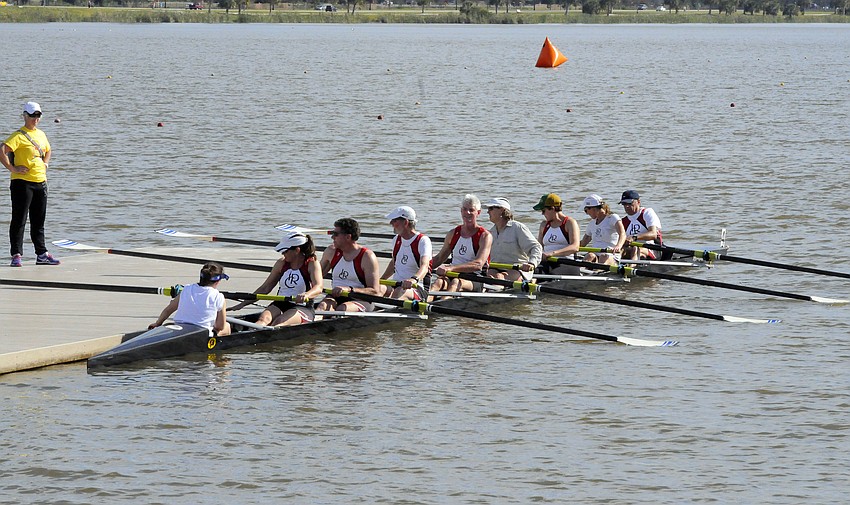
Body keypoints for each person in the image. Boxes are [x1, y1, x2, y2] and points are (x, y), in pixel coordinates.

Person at [1, 101, 59, 267]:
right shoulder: (18, 136)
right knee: (19, 220)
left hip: (40, 182)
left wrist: (45, 164)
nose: (35, 118)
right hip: (22, 183)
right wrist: (12, 168)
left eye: (38, 115)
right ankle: (16, 255)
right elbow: (2, 150)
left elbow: (48, 150)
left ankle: (41, 254)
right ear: (24, 116)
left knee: (38, 220)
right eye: (32, 115)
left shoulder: (41, 134)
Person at [229, 232, 324, 326]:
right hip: (280, 302)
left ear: (297, 250)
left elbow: (318, 287)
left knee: (279, 322)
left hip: (303, 307)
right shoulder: (281, 263)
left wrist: (306, 294)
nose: (283, 254)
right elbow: (265, 288)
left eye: (285, 251)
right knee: (263, 319)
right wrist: (243, 304)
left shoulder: (312, 263)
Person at [430, 194, 493, 294]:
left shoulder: (485, 236)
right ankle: (423, 305)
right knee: (437, 283)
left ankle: (444, 305)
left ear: (478, 212)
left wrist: (450, 268)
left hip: (476, 278)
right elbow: (439, 258)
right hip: (452, 274)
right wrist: (421, 267)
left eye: (471, 210)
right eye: (465, 209)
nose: (467, 213)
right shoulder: (453, 233)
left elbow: (478, 264)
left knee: (455, 282)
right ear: (461, 211)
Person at [317, 218, 382, 313]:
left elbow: (375, 291)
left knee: (342, 308)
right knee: (322, 307)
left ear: (348, 237)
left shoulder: (367, 256)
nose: (332, 237)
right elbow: (315, 277)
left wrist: (349, 289)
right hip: (335, 297)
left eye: (335, 234)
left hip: (361, 299)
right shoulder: (331, 251)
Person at [149, 262, 231, 336]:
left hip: (179, 328)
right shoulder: (218, 296)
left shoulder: (187, 289)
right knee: (227, 326)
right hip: (201, 334)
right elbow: (220, 326)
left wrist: (158, 323)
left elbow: (168, 309)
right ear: (218, 281)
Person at [483, 197, 542, 281]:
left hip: (517, 269)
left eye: (491, 208)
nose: (488, 211)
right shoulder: (490, 232)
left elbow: (536, 247)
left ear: (501, 210)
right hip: (495, 269)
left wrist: (532, 263)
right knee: (490, 277)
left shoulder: (518, 228)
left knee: (499, 277)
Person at [381, 206, 432, 300]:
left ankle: (387, 310)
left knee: (399, 291)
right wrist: (381, 280)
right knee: (378, 289)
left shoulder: (423, 241)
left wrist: (414, 279)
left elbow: (424, 267)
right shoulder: (396, 239)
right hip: (397, 284)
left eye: (394, 221)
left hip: (417, 288)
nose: (391, 223)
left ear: (405, 222)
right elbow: (394, 263)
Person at [534, 193, 581, 274]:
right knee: (533, 272)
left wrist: (552, 253)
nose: (542, 214)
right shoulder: (544, 225)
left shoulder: (569, 223)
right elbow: (539, 247)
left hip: (566, 262)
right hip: (547, 262)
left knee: (551, 275)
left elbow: (575, 247)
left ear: (552, 209)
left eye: (543, 210)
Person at [579, 194, 626, 265]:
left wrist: (618, 246)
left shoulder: (613, 218)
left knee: (603, 256)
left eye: (586, 210)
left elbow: (622, 234)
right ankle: (583, 272)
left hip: (611, 254)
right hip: (595, 253)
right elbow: (583, 242)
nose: (587, 213)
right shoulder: (592, 223)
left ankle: (597, 273)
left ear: (593, 209)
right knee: (590, 256)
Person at [619, 189, 663, 260]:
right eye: (624, 204)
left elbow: (653, 234)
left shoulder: (647, 213)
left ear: (638, 202)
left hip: (651, 249)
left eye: (629, 203)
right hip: (632, 249)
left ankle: (632, 267)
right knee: (619, 250)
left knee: (635, 249)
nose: (626, 206)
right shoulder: (623, 221)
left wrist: (634, 237)